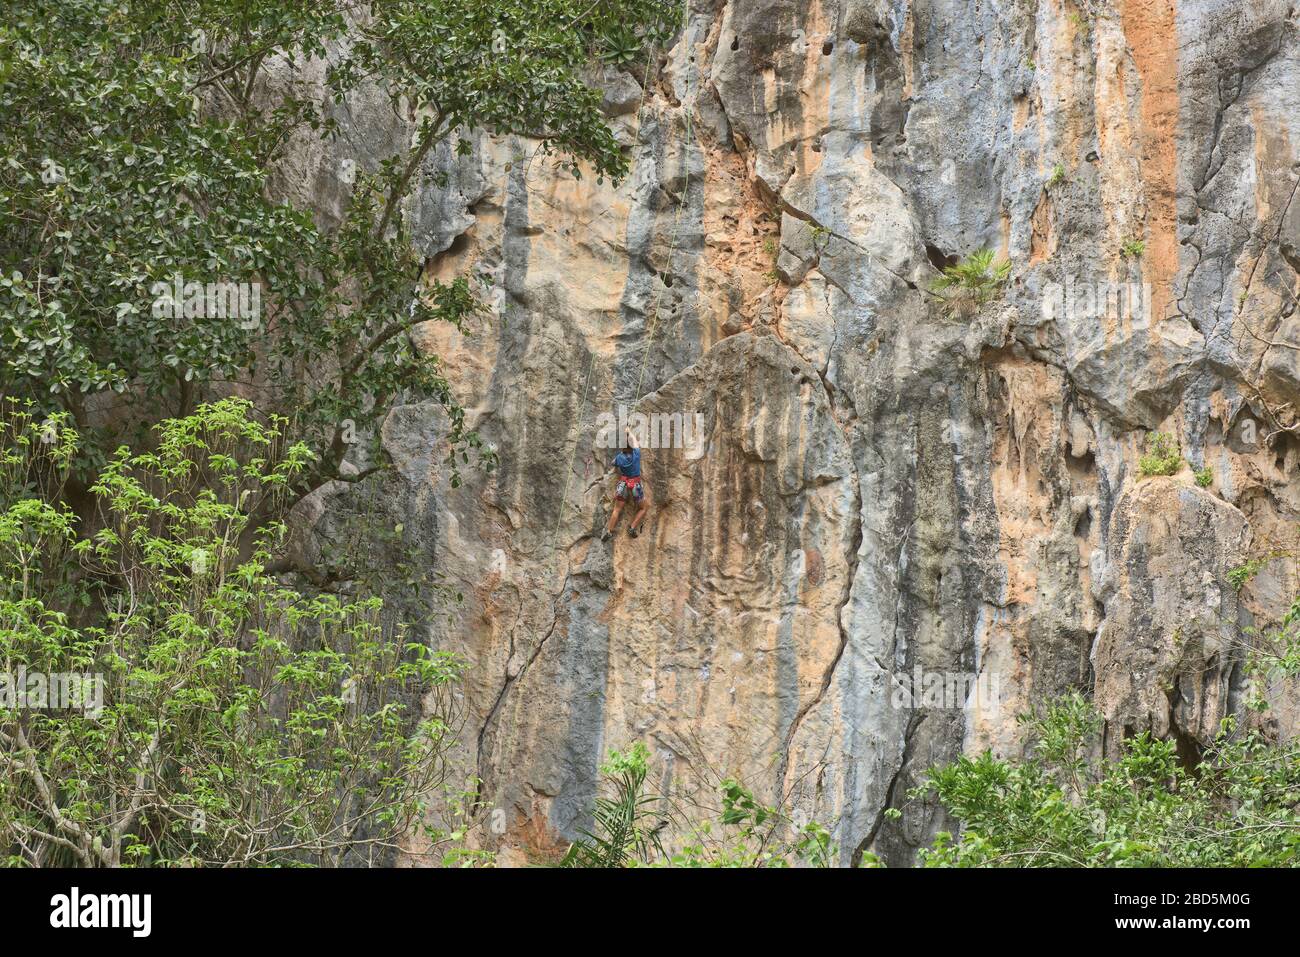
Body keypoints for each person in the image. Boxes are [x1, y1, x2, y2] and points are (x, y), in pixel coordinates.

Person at [602, 427, 649, 540]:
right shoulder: (636, 454)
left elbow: (613, 463)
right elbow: (636, 443)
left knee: (617, 509)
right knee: (643, 508)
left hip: (623, 484)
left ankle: (609, 531)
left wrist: (621, 456)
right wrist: (629, 432)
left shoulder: (620, 458)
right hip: (635, 485)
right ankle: (632, 527)